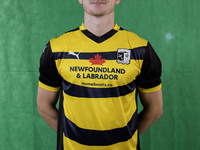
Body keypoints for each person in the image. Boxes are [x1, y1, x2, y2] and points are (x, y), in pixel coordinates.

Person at [37, 0, 163, 150]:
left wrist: (126, 136)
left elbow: (155, 109)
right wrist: (71, 136)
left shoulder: (141, 49)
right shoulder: (56, 48)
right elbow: (44, 105)